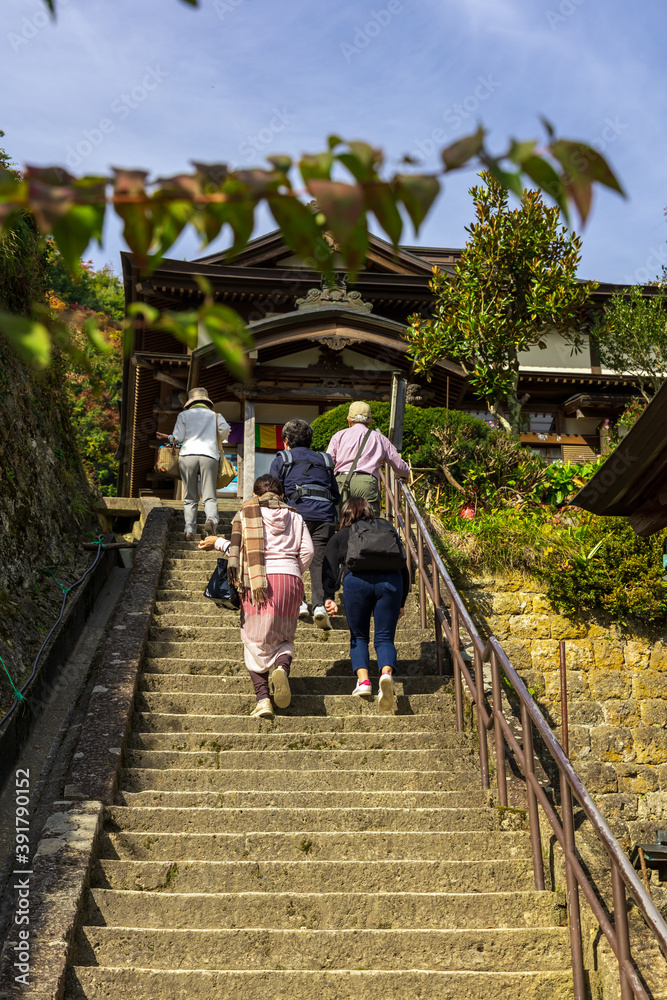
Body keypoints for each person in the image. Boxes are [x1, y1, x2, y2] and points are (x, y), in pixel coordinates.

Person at [199, 474, 314, 720]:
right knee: (284, 636)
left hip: (258, 582)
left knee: (253, 641)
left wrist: (218, 542)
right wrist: (293, 572)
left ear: (254, 495)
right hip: (291, 581)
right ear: (281, 495)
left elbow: (240, 551)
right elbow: (308, 551)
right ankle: (281, 668)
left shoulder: (246, 513)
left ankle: (263, 700)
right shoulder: (295, 516)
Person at [322, 497, 409, 712]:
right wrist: (401, 601)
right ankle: (386, 675)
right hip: (391, 582)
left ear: (346, 514)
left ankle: (364, 682)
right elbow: (403, 566)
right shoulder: (387, 528)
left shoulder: (342, 535)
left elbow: (329, 566)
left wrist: (328, 595)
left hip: (357, 583)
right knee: (385, 637)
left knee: (359, 636)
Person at [269, 418, 340, 630]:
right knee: (318, 561)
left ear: (286, 440)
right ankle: (319, 606)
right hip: (325, 516)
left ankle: (299, 602)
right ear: (310, 440)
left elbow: (272, 491)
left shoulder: (283, 458)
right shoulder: (325, 460)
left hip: (296, 515)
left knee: (293, 556)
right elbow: (335, 494)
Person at [156, 386, 230, 541]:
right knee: (209, 495)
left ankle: (189, 529)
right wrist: (215, 438)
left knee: (190, 495)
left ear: (190, 402)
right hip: (209, 455)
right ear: (206, 401)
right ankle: (211, 520)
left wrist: (168, 437)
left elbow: (178, 438)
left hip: (187, 455)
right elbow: (225, 430)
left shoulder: (184, 415)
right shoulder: (216, 416)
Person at [326, 401, 410, 517]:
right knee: (369, 523)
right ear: (370, 421)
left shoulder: (339, 436)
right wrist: (404, 475)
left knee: (341, 520)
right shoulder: (379, 438)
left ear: (348, 420)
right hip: (367, 483)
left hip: (341, 481)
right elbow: (399, 465)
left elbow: (327, 462)